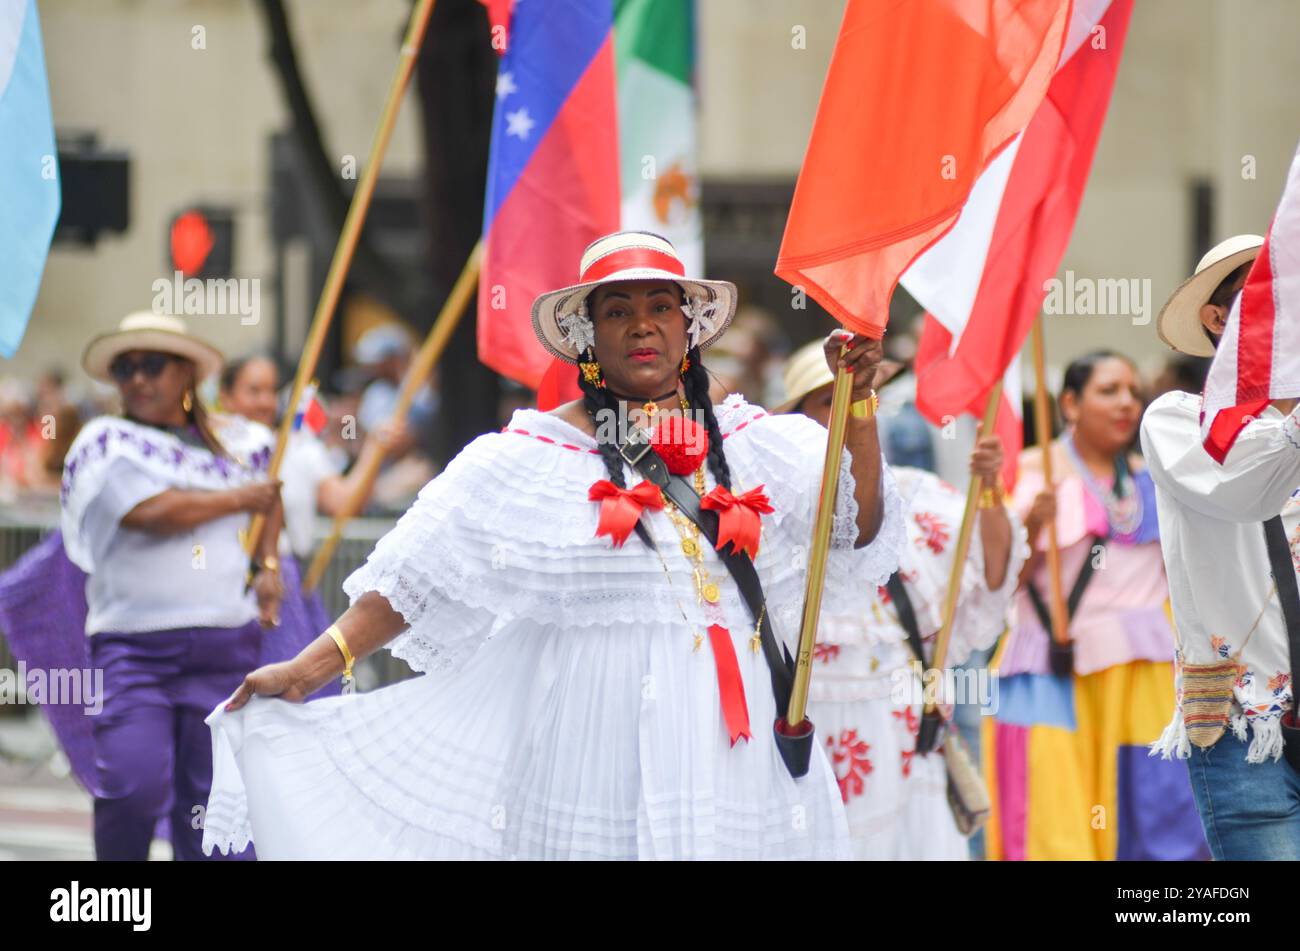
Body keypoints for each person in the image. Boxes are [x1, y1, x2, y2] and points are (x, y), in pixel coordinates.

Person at [201, 230, 904, 860]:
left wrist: (861, 407)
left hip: (736, 750)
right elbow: (417, 578)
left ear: (689, 327)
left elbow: (859, 527)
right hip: (592, 753)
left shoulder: (759, 443)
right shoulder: (527, 457)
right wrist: (306, 671)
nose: (642, 326)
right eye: (618, 311)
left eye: (661, 306)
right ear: (587, 335)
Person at [778, 339, 1026, 859]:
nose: (846, 413)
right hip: (807, 736)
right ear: (796, 418)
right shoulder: (773, 508)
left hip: (905, 728)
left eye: (857, 400)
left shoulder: (921, 494)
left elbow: (992, 577)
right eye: (828, 401)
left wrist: (989, 493)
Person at [58, 312, 284, 860]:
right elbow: (149, 514)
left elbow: (270, 498)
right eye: (126, 368)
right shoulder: (105, 441)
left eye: (152, 365)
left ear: (186, 374)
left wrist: (269, 564)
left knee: (215, 808)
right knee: (132, 787)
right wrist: (241, 498)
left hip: (226, 648)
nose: (138, 378)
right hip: (136, 651)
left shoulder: (245, 442)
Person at [984, 350, 1209, 860]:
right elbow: (997, 586)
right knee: (1054, 824)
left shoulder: (1157, 476)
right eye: (1109, 391)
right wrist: (1032, 526)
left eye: (1133, 391)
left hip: (1146, 676)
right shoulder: (1032, 471)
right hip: (1055, 670)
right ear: (1069, 403)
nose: (1127, 404)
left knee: (1160, 821)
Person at [1142, 234, 1300, 860]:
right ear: (1216, 318)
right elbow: (1248, 490)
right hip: (1244, 726)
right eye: (1268, 297)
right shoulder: (1177, 418)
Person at [218, 354, 409, 562]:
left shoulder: (300, 449)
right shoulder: (210, 449)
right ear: (225, 397)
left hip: (285, 574)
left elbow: (344, 504)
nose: (265, 402)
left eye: (272, 391)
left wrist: (374, 448)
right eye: (254, 391)